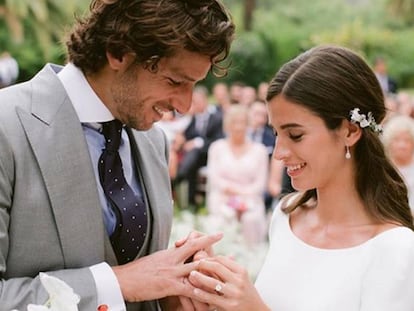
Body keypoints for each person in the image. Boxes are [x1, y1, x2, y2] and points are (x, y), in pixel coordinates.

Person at [0, 0, 235, 310]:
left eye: (194, 85)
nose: (185, 105)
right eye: (175, 81)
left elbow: (141, 287)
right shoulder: (7, 125)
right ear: (118, 52)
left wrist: (173, 293)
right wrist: (117, 283)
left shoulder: (154, 141)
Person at [187, 45, 414, 310]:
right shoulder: (286, 216)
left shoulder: (396, 250)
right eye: (276, 134)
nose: (279, 154)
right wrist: (218, 292)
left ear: (350, 131)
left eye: (295, 135)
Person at [206, 105, 269, 247]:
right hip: (222, 197)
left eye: (242, 122)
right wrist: (231, 193)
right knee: (224, 216)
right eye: (234, 122)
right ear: (228, 125)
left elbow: (260, 184)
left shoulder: (260, 151)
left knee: (250, 219)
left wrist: (243, 198)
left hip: (251, 199)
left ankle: (251, 258)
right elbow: (214, 178)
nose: (239, 127)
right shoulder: (217, 148)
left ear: (248, 124)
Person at [382, 114, 414, 213]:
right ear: (389, 142)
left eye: (407, 140)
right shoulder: (383, 168)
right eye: (397, 140)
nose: (402, 145)